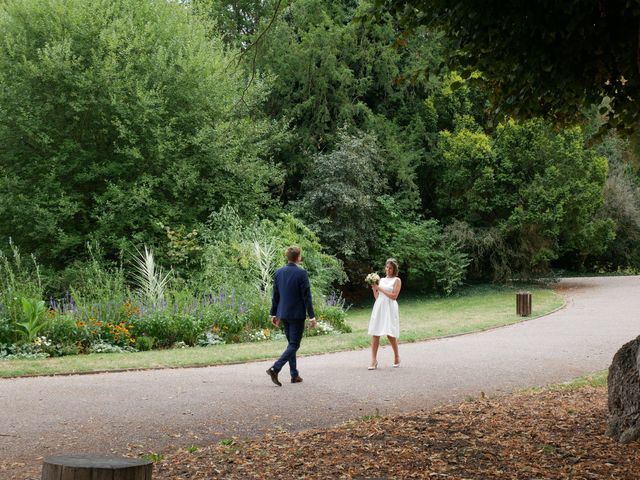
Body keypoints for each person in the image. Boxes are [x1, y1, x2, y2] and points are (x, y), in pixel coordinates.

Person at [266, 246, 316, 386]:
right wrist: (312, 316)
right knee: (294, 344)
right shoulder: (301, 273)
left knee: (291, 344)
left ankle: (294, 375)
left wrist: (273, 313)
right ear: (298, 257)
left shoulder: (278, 272)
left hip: (283, 314)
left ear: (288, 257)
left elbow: (275, 296)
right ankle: (275, 368)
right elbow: (307, 297)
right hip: (296, 315)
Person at [368, 258, 402, 370]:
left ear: (394, 269)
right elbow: (377, 297)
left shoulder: (397, 280)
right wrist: (374, 288)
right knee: (375, 332)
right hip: (379, 306)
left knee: (390, 334)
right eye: (387, 267)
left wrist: (380, 289)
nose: (388, 269)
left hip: (390, 307)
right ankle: (373, 360)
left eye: (390, 268)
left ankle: (397, 356)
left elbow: (394, 296)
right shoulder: (381, 280)